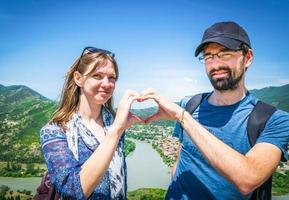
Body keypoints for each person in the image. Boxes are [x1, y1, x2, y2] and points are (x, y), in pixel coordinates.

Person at [141, 21, 289, 199]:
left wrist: (183, 118)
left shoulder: (274, 119)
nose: (215, 64)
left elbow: (248, 179)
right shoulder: (190, 104)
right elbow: (181, 157)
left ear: (248, 57)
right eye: (209, 56)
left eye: (225, 54)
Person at [40, 47, 144, 199]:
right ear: (78, 78)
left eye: (112, 78)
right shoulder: (54, 131)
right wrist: (115, 131)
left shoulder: (113, 124)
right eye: (97, 76)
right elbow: (73, 190)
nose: (106, 83)